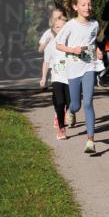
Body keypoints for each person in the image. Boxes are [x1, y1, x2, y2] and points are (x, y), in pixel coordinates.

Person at [55, 0, 104, 154]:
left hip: (89, 66)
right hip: (73, 68)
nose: (87, 7)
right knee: (76, 104)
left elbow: (92, 42)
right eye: (83, 4)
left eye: (89, 4)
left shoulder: (95, 24)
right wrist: (72, 50)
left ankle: (90, 140)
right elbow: (59, 45)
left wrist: (98, 51)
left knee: (89, 102)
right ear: (75, 7)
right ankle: (70, 111)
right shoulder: (70, 25)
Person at [42, 11, 71, 139]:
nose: (61, 29)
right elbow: (46, 62)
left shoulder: (71, 43)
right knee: (60, 102)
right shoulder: (51, 45)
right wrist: (43, 77)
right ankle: (61, 128)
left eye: (63, 27)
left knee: (71, 102)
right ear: (53, 29)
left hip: (70, 77)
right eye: (58, 27)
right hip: (57, 77)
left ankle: (67, 113)